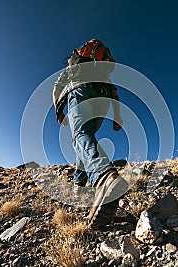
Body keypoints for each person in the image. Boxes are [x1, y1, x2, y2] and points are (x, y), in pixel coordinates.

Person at [52, 39, 128, 228]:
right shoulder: (103, 73)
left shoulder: (72, 69)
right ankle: (79, 187)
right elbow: (114, 93)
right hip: (102, 99)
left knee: (80, 136)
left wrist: (58, 110)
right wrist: (117, 115)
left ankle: (105, 177)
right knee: (85, 140)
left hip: (80, 92)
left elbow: (56, 90)